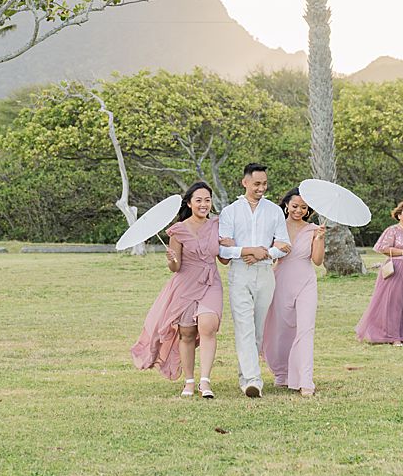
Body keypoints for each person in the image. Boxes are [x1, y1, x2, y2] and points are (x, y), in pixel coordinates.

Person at [130, 182, 225, 398]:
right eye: (198, 200)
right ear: (190, 203)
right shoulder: (178, 230)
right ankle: (189, 381)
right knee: (187, 332)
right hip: (186, 284)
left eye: (207, 200)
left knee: (208, 325)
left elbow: (224, 259)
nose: (203, 204)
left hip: (211, 281)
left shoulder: (217, 225)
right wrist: (171, 260)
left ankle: (205, 381)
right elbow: (175, 267)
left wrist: (229, 244)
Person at [217, 163, 291, 398]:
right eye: (257, 183)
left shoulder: (274, 211)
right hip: (240, 273)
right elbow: (223, 249)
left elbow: (284, 244)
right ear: (245, 182)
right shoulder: (230, 212)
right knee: (244, 326)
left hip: (265, 272)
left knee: (258, 330)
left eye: (265, 183)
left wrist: (266, 252)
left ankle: (246, 374)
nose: (261, 188)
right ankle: (252, 380)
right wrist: (248, 250)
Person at [260, 188, 325, 397]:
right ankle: (282, 373)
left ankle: (305, 380)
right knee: (280, 329)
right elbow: (268, 255)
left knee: (306, 329)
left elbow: (317, 261)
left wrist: (320, 239)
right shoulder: (276, 227)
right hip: (280, 280)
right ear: (286, 205)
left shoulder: (314, 229)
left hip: (306, 281)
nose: (298, 210)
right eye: (295, 205)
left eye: (303, 207)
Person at [355, 201, 403, 346]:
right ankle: (393, 337)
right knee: (394, 303)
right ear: (399, 215)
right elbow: (382, 248)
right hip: (397, 268)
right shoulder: (392, 230)